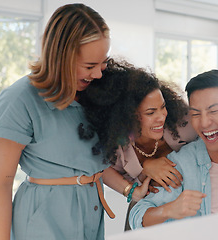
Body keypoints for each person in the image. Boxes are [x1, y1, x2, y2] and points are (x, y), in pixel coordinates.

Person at [0, 4, 118, 240]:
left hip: (91, 214)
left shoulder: (94, 93)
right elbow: (1, 185)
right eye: (89, 66)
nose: (98, 73)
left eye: (103, 63)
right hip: (43, 221)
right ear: (61, 58)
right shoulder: (19, 100)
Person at [129, 70, 218, 240]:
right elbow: (136, 217)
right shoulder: (182, 164)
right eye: (196, 114)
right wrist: (170, 209)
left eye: (213, 111)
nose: (205, 123)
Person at [78, 58, 198, 230]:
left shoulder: (185, 122)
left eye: (163, 107)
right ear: (126, 116)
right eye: (151, 112)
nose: (161, 116)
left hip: (189, 206)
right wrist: (135, 184)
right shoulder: (115, 146)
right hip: (146, 209)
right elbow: (100, 169)